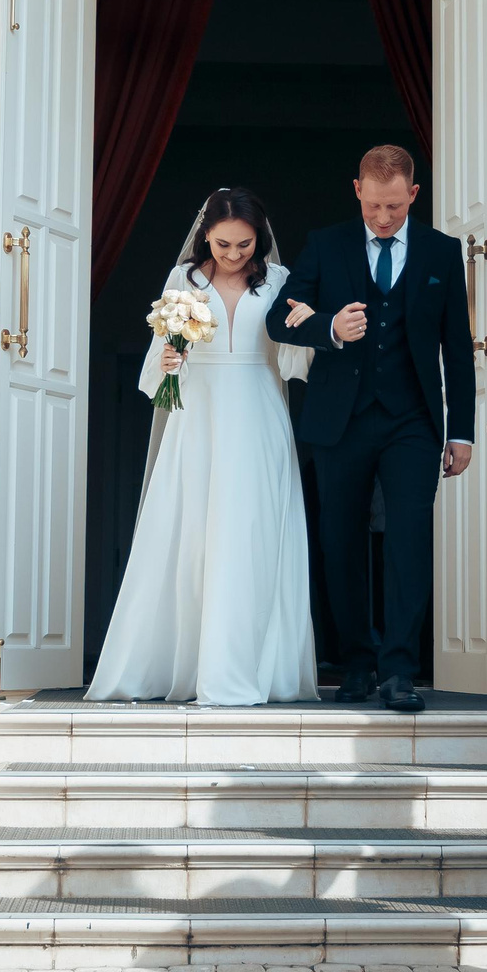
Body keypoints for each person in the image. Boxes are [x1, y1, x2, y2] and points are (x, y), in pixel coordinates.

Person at [87, 189, 321, 706]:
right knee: (192, 530)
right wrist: (171, 362)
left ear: (259, 238)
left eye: (244, 244)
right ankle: (188, 664)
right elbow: (157, 368)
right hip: (198, 416)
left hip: (259, 413)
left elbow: (292, 366)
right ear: (205, 237)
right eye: (223, 244)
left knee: (252, 531)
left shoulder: (279, 281)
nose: (234, 254)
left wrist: (307, 331)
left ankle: (250, 665)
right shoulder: (184, 282)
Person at [267, 147, 476, 713]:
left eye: (395, 205)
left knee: (409, 541)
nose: (384, 217)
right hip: (341, 419)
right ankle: (357, 663)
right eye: (374, 204)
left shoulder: (441, 251)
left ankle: (400, 671)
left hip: (413, 420)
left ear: (413, 194)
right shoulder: (326, 244)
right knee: (341, 541)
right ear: (356, 189)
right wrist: (328, 327)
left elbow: (457, 349)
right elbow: (279, 314)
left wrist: (461, 431)